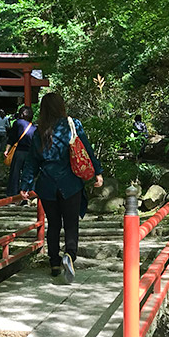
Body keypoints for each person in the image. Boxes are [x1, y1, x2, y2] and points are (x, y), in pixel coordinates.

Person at [20, 93, 103, 283]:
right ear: (61, 106)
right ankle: (70, 255)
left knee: (53, 224)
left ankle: (54, 262)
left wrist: (25, 185)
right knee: (71, 223)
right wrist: (97, 172)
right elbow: (86, 149)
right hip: (70, 182)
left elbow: (31, 161)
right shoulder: (73, 125)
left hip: (47, 184)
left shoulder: (39, 131)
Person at [5, 106, 36, 201]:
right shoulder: (34, 127)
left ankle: (13, 194)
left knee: (15, 173)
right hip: (30, 153)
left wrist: (7, 150)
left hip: (19, 152)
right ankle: (29, 193)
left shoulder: (17, 123)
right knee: (28, 174)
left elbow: (12, 138)